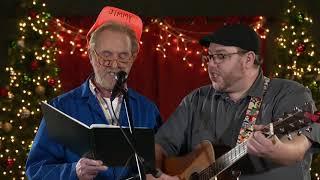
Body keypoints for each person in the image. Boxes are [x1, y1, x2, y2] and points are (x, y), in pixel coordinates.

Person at [152, 24, 320, 180]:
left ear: (248, 59)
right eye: (209, 57)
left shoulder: (289, 93)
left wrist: (276, 150)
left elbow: (297, 149)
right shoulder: (196, 100)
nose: (211, 64)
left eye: (220, 56)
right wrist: (156, 175)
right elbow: (159, 146)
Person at [26, 6, 162, 180]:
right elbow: (35, 171)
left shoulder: (148, 110)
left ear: (133, 57)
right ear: (91, 55)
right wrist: (74, 171)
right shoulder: (61, 108)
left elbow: (162, 165)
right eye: (106, 55)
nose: (114, 64)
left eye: (123, 56)